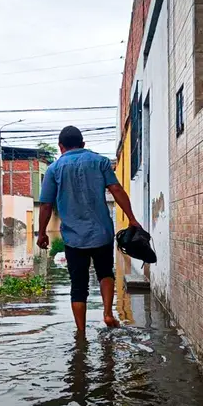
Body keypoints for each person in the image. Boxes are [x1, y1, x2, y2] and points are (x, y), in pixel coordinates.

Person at [37, 125, 141, 336]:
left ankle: (81, 333)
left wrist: (42, 232)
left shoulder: (54, 169)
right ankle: (107, 313)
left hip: (73, 237)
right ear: (83, 144)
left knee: (78, 284)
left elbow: (46, 205)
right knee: (105, 272)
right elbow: (116, 190)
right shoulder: (100, 161)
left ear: (60, 147)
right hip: (101, 232)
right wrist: (132, 219)